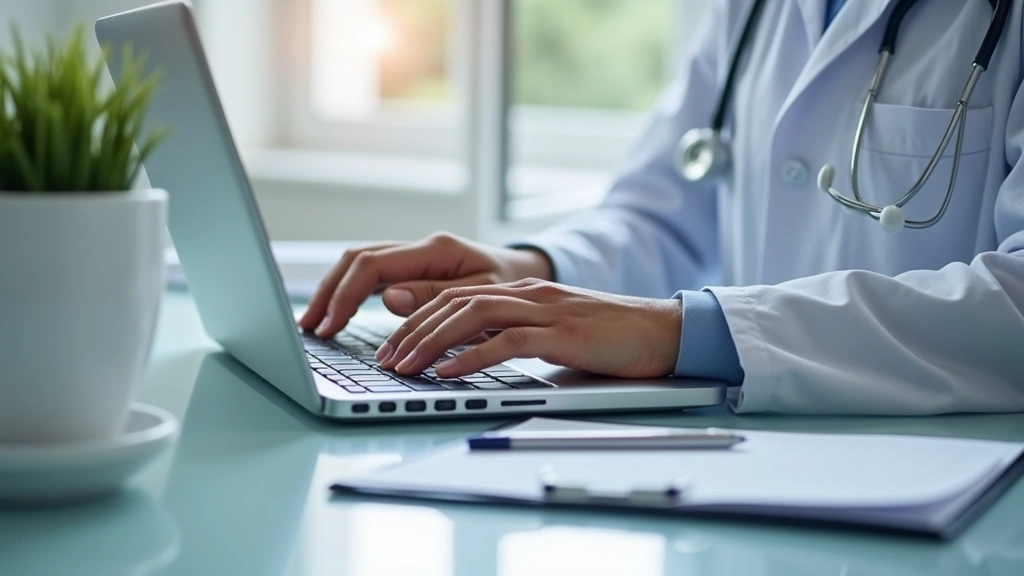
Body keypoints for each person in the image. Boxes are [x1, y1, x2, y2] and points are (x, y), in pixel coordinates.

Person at [299, 0, 1024, 415]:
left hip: (942, 480)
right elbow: (668, 214)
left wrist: (684, 334)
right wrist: (530, 270)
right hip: (744, 460)